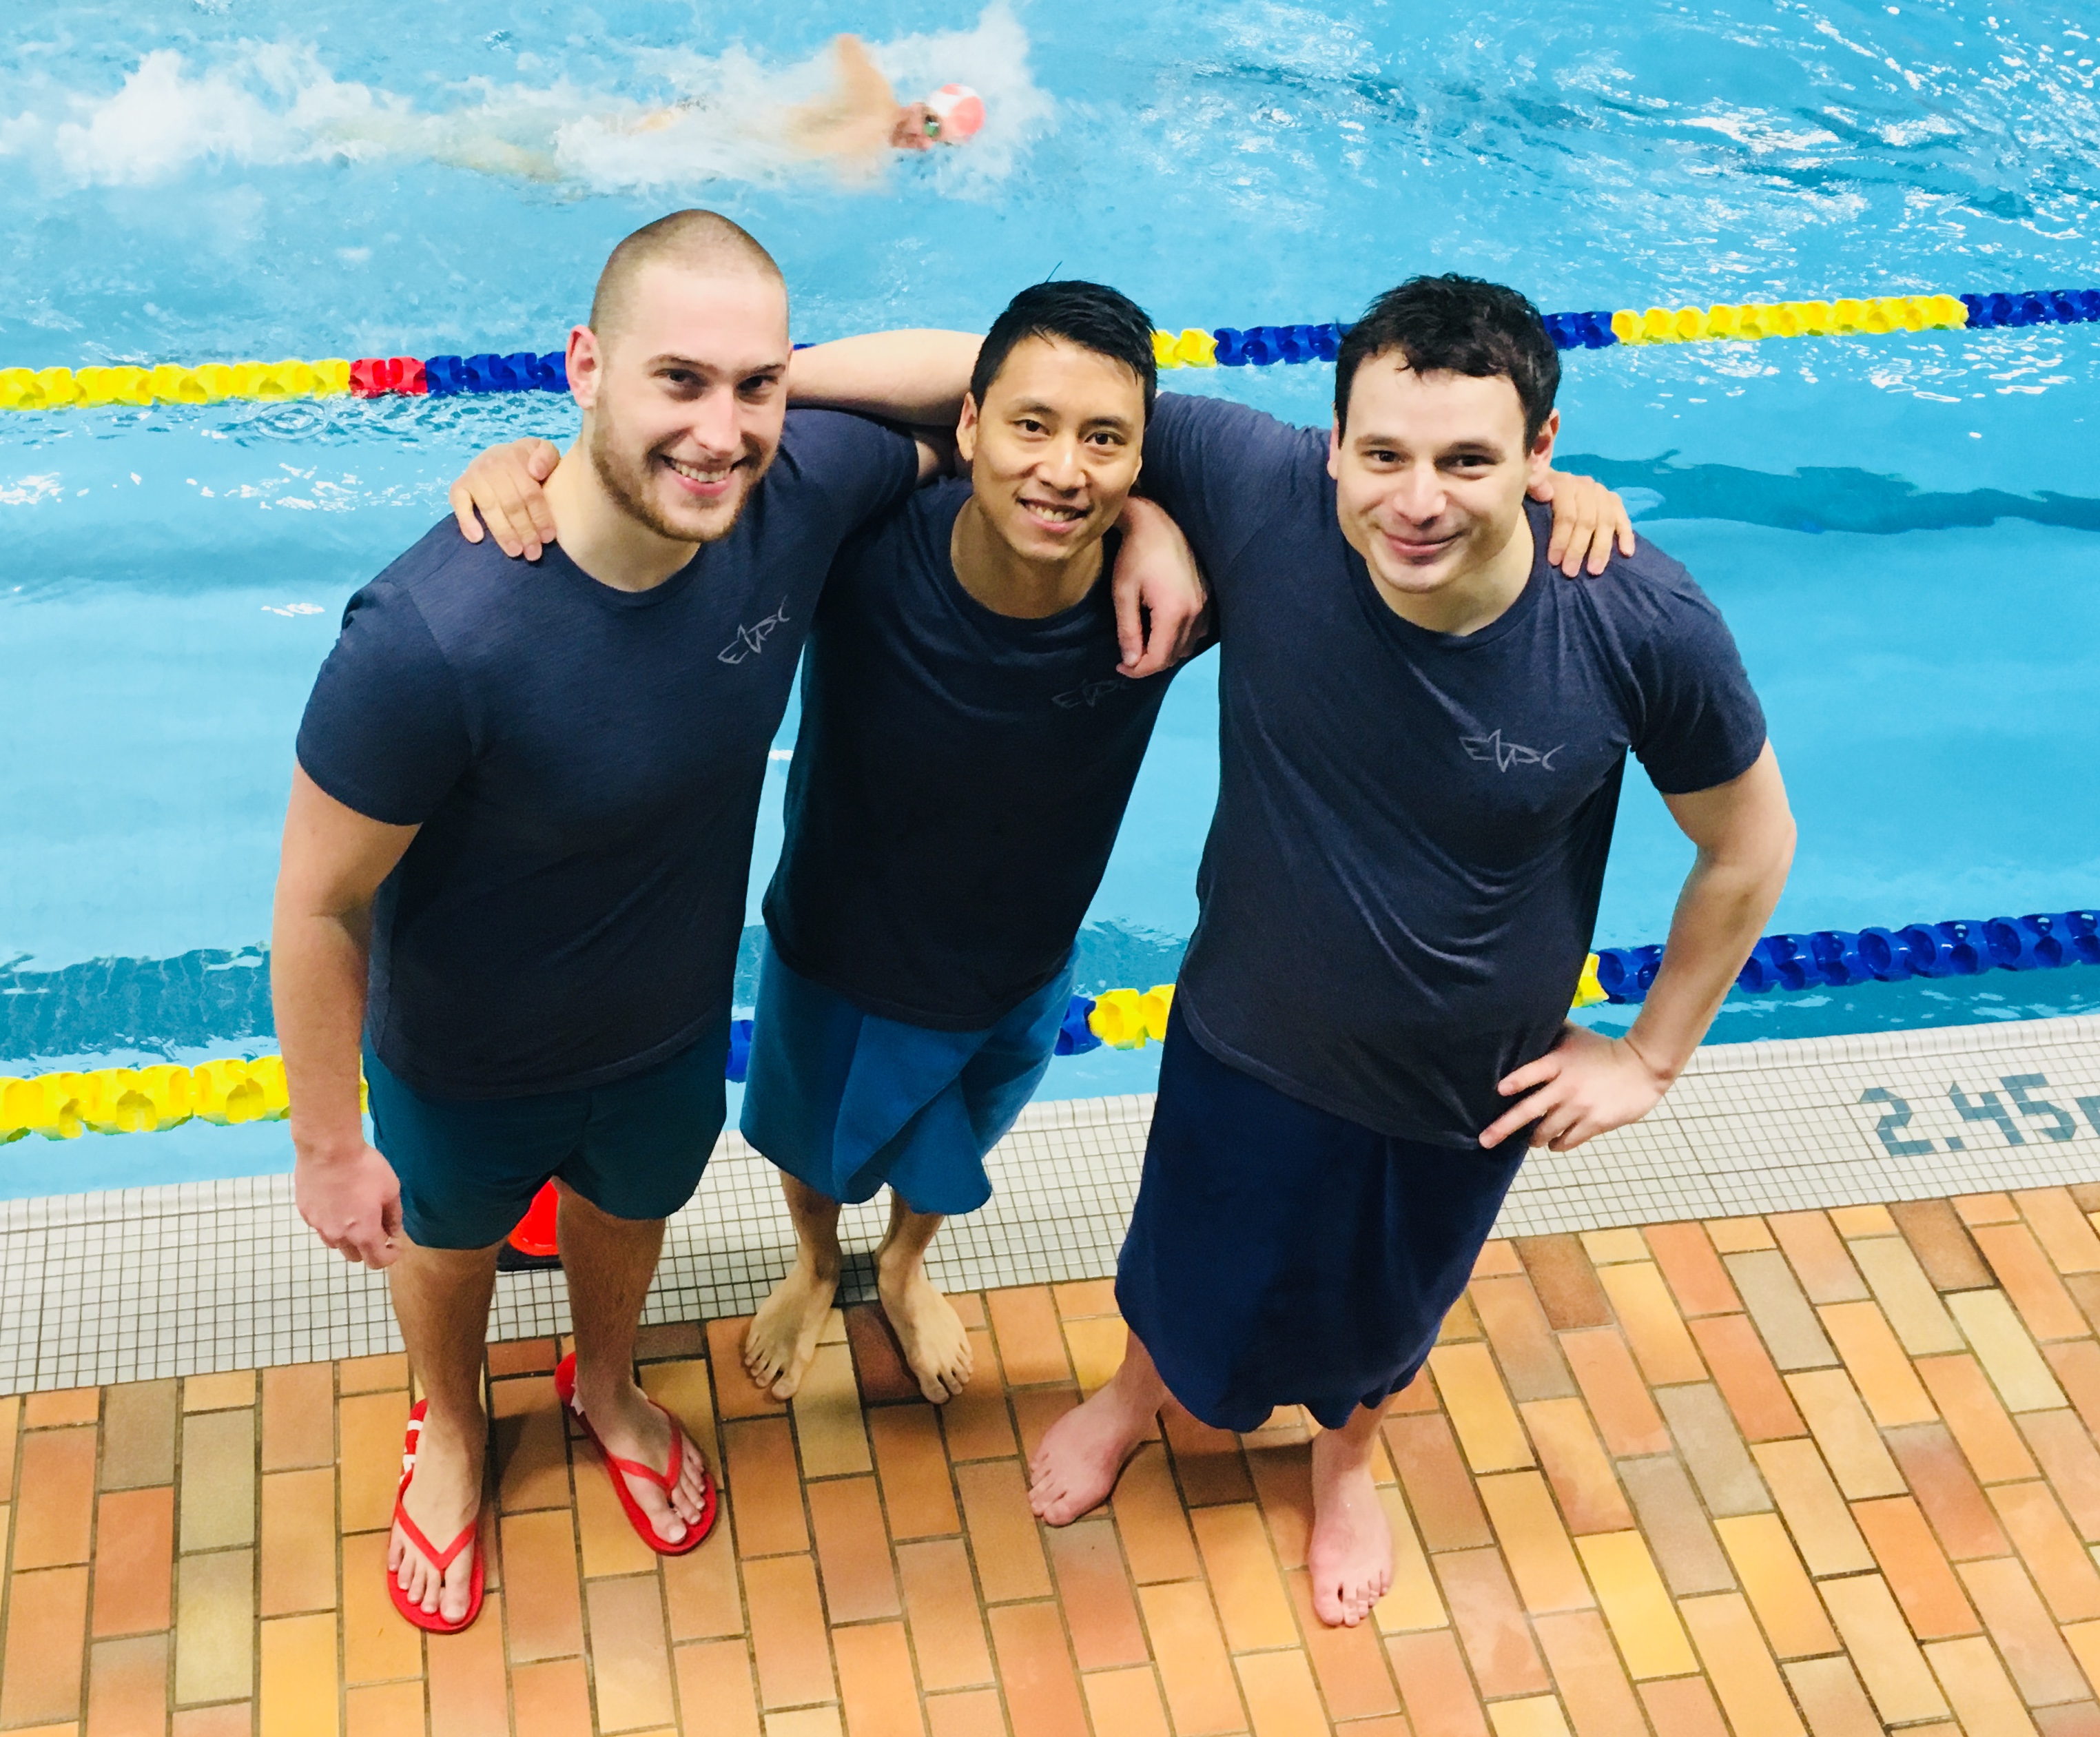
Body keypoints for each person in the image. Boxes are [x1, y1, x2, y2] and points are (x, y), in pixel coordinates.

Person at [680, 277, 1794, 1629]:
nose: (1419, 499)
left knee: (1388, 1317)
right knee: (1175, 1262)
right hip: (1238, 1037)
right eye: (1384, 454)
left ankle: (1345, 1467)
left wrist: (1653, 1056)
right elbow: (1033, 386)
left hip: (1460, 1087)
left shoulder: (1630, 618)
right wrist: (744, 395)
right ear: (1328, 443)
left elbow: (1750, 842)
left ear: (1544, 455)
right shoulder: (1261, 497)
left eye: (1469, 461)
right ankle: (1134, 1396)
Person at [272, 209, 1200, 1634]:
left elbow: (1012, 402)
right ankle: (449, 1427)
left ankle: (607, 1385)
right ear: (584, 367)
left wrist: (1144, 506)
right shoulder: (433, 634)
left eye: (758, 385)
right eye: (678, 381)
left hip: (662, 1035)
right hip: (459, 1054)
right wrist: (332, 1143)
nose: (720, 432)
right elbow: (320, 902)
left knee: (630, 1214)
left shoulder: (799, 499)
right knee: (448, 1253)